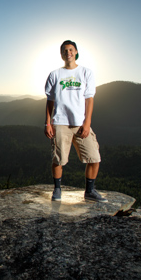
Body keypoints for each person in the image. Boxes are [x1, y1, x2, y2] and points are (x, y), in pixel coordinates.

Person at [44, 40, 107, 202]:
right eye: (65, 51)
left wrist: (87, 123)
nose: (68, 53)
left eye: (71, 50)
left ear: (76, 52)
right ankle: (57, 190)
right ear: (61, 55)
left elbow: (89, 99)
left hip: (80, 123)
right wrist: (48, 123)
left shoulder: (86, 72)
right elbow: (50, 100)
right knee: (58, 159)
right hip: (60, 123)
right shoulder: (55, 74)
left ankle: (90, 191)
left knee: (94, 158)